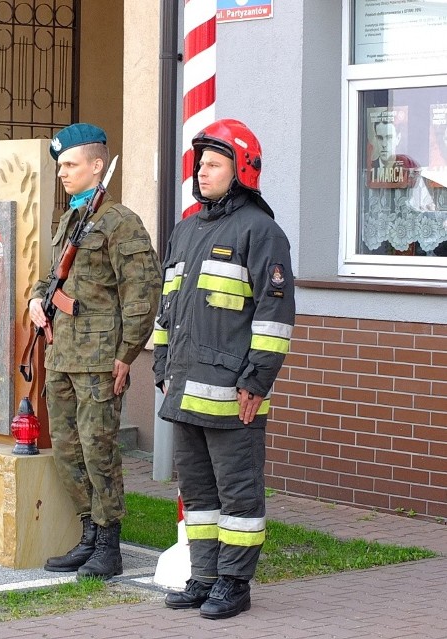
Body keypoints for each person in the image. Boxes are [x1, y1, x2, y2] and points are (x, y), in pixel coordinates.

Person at [153, 119, 295, 619]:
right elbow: (167, 306)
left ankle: (235, 584)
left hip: (235, 394)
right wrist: (161, 367)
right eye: (200, 164)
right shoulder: (186, 230)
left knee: (237, 494)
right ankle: (205, 576)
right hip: (185, 390)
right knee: (199, 494)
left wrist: (256, 381)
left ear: (242, 172)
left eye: (214, 164)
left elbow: (273, 319)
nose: (202, 173)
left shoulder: (262, 232)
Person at [29, 123, 162, 580]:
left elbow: (143, 292)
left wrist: (127, 355)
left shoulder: (120, 222)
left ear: (97, 165)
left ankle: (109, 542)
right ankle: (88, 533)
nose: (62, 173)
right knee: (68, 448)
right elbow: (53, 278)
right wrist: (35, 298)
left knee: (99, 447)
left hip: (100, 359)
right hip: (62, 353)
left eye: (69, 164)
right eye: (60, 166)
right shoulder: (72, 219)